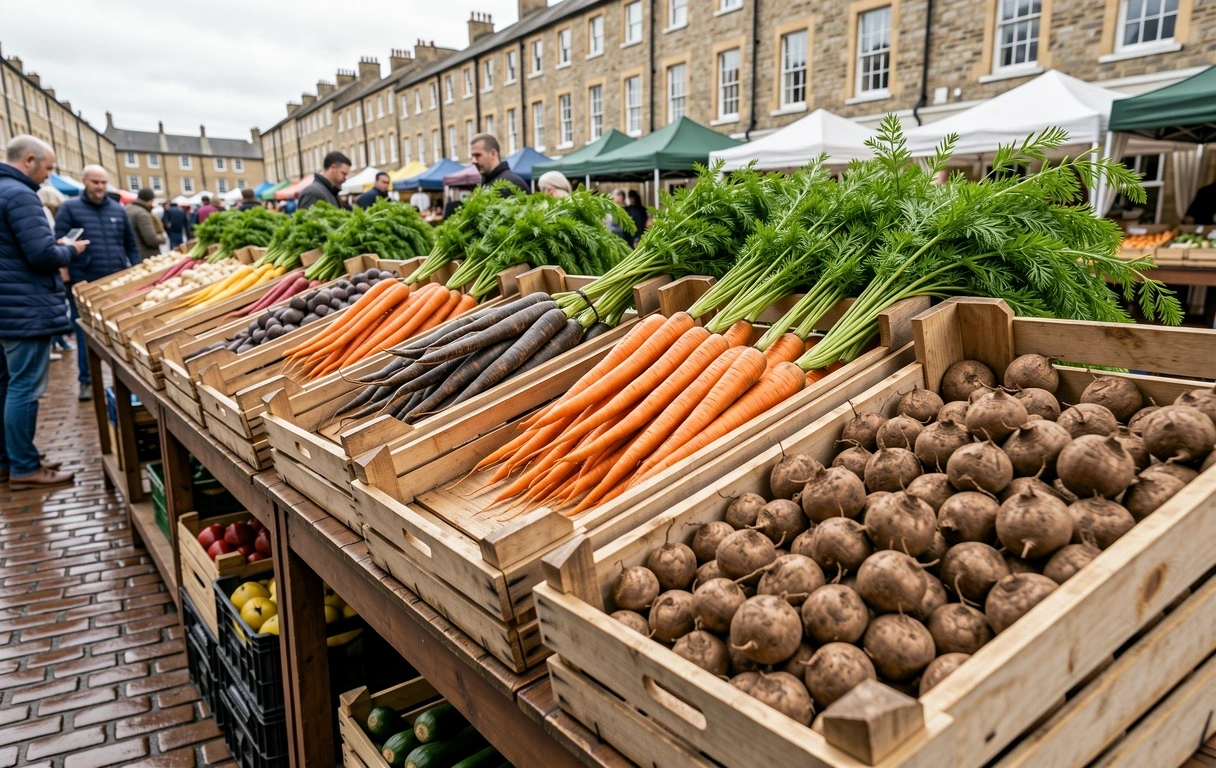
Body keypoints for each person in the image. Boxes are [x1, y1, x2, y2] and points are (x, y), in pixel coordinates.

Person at [0, 135, 85, 489]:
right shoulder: (20, 195)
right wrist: (70, 250)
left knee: (7, 385)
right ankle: (24, 467)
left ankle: (12, 459)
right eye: (47, 169)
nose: (47, 178)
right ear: (29, 160)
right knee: (25, 388)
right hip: (23, 308)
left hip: (8, 305)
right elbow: (41, 255)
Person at [56, 165, 139, 401]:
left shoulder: (117, 210)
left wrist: (135, 270)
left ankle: (125, 380)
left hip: (116, 283)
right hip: (83, 283)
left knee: (121, 331)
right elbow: (59, 245)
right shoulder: (69, 209)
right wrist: (68, 275)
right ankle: (87, 380)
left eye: (103, 182)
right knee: (84, 334)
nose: (100, 187)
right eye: (95, 182)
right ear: (84, 182)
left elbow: (130, 245)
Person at [35, 187, 73, 357]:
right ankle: (57, 341)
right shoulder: (41, 212)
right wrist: (70, 250)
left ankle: (59, 341)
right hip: (42, 278)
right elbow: (45, 251)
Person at [127, 188, 166, 261]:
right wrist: (163, 238)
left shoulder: (128, 209)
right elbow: (152, 240)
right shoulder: (143, 214)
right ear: (150, 201)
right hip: (146, 256)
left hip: (132, 254)